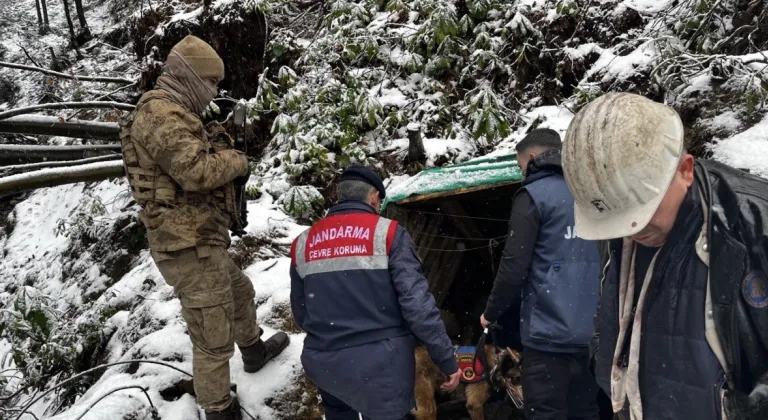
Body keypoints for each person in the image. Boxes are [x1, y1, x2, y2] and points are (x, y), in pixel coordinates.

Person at [562, 92, 768, 420]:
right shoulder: (622, 222)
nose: (630, 232)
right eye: (620, 222)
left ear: (685, 170)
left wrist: (739, 411)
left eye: (641, 215)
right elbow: (610, 315)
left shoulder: (751, 224)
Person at [121, 35, 289, 420]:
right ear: (192, 77)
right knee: (212, 337)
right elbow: (195, 171)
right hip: (186, 246)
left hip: (199, 240)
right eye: (211, 83)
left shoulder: (175, 111)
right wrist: (237, 160)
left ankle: (254, 351)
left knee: (240, 291)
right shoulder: (160, 113)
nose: (213, 92)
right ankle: (218, 410)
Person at [289, 165, 462, 420]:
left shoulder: (304, 241)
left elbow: (301, 312)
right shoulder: (388, 233)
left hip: (326, 363)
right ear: (373, 198)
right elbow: (417, 306)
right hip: (383, 366)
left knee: (338, 413)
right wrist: (446, 360)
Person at [480, 128, 602, 420]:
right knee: (586, 411)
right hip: (591, 338)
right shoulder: (590, 192)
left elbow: (513, 266)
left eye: (521, 167)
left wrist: (491, 313)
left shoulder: (533, 195)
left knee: (546, 413)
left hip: (547, 339)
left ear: (532, 158)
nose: (522, 174)